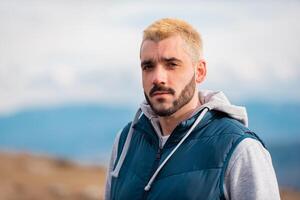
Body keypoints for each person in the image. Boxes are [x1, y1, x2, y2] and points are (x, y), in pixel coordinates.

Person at [104, 18, 280, 200]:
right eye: (148, 66)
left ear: (200, 71)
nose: (157, 77)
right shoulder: (126, 141)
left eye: (171, 64)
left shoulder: (240, 149)